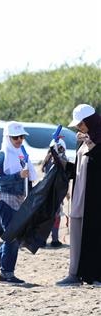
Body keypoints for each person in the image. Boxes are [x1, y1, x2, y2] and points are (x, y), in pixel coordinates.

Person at [0, 122, 38, 284]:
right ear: (8, 138)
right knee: (12, 237)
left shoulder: (22, 153)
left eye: (22, 137)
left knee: (15, 237)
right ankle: (6, 273)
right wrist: (18, 176)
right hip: (4, 199)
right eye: (16, 137)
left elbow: (29, 176)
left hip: (19, 199)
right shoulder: (2, 154)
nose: (19, 140)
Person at [58, 104, 100, 286]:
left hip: (95, 198)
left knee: (94, 236)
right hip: (79, 196)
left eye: (81, 124)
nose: (78, 128)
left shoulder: (95, 140)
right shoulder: (83, 142)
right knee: (76, 234)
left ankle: (95, 275)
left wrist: (90, 141)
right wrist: (63, 162)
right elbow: (78, 169)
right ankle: (74, 273)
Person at [43, 138, 71, 248]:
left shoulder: (47, 159)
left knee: (48, 216)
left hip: (48, 191)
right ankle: (54, 239)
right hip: (56, 192)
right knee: (55, 216)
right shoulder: (60, 159)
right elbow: (64, 177)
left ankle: (44, 239)